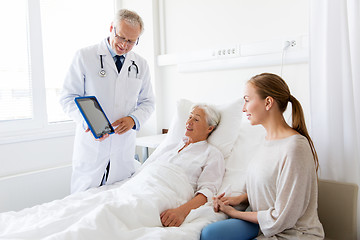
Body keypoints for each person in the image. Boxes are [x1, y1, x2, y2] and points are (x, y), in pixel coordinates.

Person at [201, 73, 324, 240]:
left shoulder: (295, 147)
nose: (244, 108)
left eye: (247, 100)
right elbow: (269, 190)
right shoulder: (266, 141)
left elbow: (282, 217)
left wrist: (235, 214)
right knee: (210, 234)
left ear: (268, 102)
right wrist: (238, 200)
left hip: (292, 233)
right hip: (262, 224)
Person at [60, 9, 155, 193]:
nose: (124, 45)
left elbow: (148, 101)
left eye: (131, 41)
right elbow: (68, 97)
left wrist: (133, 120)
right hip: (92, 148)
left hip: (122, 150)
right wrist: (88, 120)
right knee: (83, 205)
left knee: (116, 204)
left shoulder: (140, 64)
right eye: (121, 37)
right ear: (112, 28)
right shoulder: (85, 56)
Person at [141, 104, 225, 227]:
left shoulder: (212, 154)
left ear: (209, 128)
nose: (189, 122)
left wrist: (181, 212)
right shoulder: (171, 147)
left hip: (164, 196)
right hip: (143, 187)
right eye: (189, 117)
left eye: (196, 119)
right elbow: (149, 170)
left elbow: (207, 192)